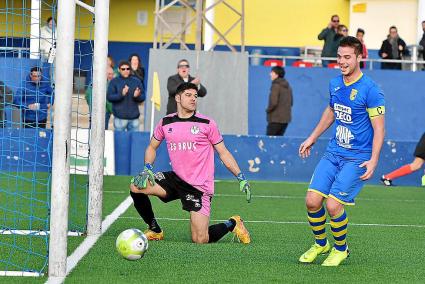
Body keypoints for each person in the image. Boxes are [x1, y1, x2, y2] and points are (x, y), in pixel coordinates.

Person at [298, 36, 385, 266]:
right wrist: (312, 137)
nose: (342, 61)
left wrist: (374, 160)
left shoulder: (371, 90)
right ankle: (321, 244)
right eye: (339, 57)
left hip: (357, 157)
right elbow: (331, 111)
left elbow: (379, 129)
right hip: (333, 152)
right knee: (312, 201)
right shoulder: (335, 83)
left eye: (347, 57)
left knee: (333, 205)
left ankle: (341, 249)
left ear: (359, 57)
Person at [129, 82, 252, 244]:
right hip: (175, 179)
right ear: (178, 98)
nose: (193, 99)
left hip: (199, 186)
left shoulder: (207, 124)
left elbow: (224, 152)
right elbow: (152, 147)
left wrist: (240, 176)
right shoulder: (166, 122)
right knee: (136, 186)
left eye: (195, 96)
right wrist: (147, 168)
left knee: (200, 239)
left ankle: (233, 223)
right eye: (188, 95)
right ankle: (154, 229)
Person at [107, 61, 145, 131]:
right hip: (119, 118)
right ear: (119, 70)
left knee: (134, 140)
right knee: (119, 140)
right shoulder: (114, 81)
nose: (126, 71)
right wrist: (121, 94)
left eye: (128, 69)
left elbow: (143, 97)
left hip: (134, 118)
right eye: (123, 69)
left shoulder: (136, 81)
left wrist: (137, 96)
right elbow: (109, 97)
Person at [266, 66, 293, 136]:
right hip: (285, 120)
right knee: (278, 142)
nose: (270, 74)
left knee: (269, 142)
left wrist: (268, 110)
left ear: (277, 74)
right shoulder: (288, 87)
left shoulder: (276, 86)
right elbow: (291, 103)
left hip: (275, 119)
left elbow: (273, 102)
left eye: (272, 72)